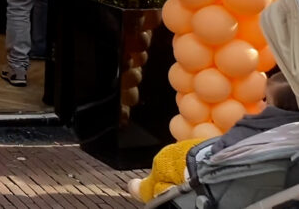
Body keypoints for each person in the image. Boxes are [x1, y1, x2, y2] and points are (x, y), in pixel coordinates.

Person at [126, 72, 299, 202]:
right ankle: (157, 190)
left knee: (167, 159)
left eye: (266, 100)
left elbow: (218, 154)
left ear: (276, 109)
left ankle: (147, 191)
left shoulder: (253, 128)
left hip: (217, 178)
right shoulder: (290, 138)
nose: (261, 103)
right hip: (258, 186)